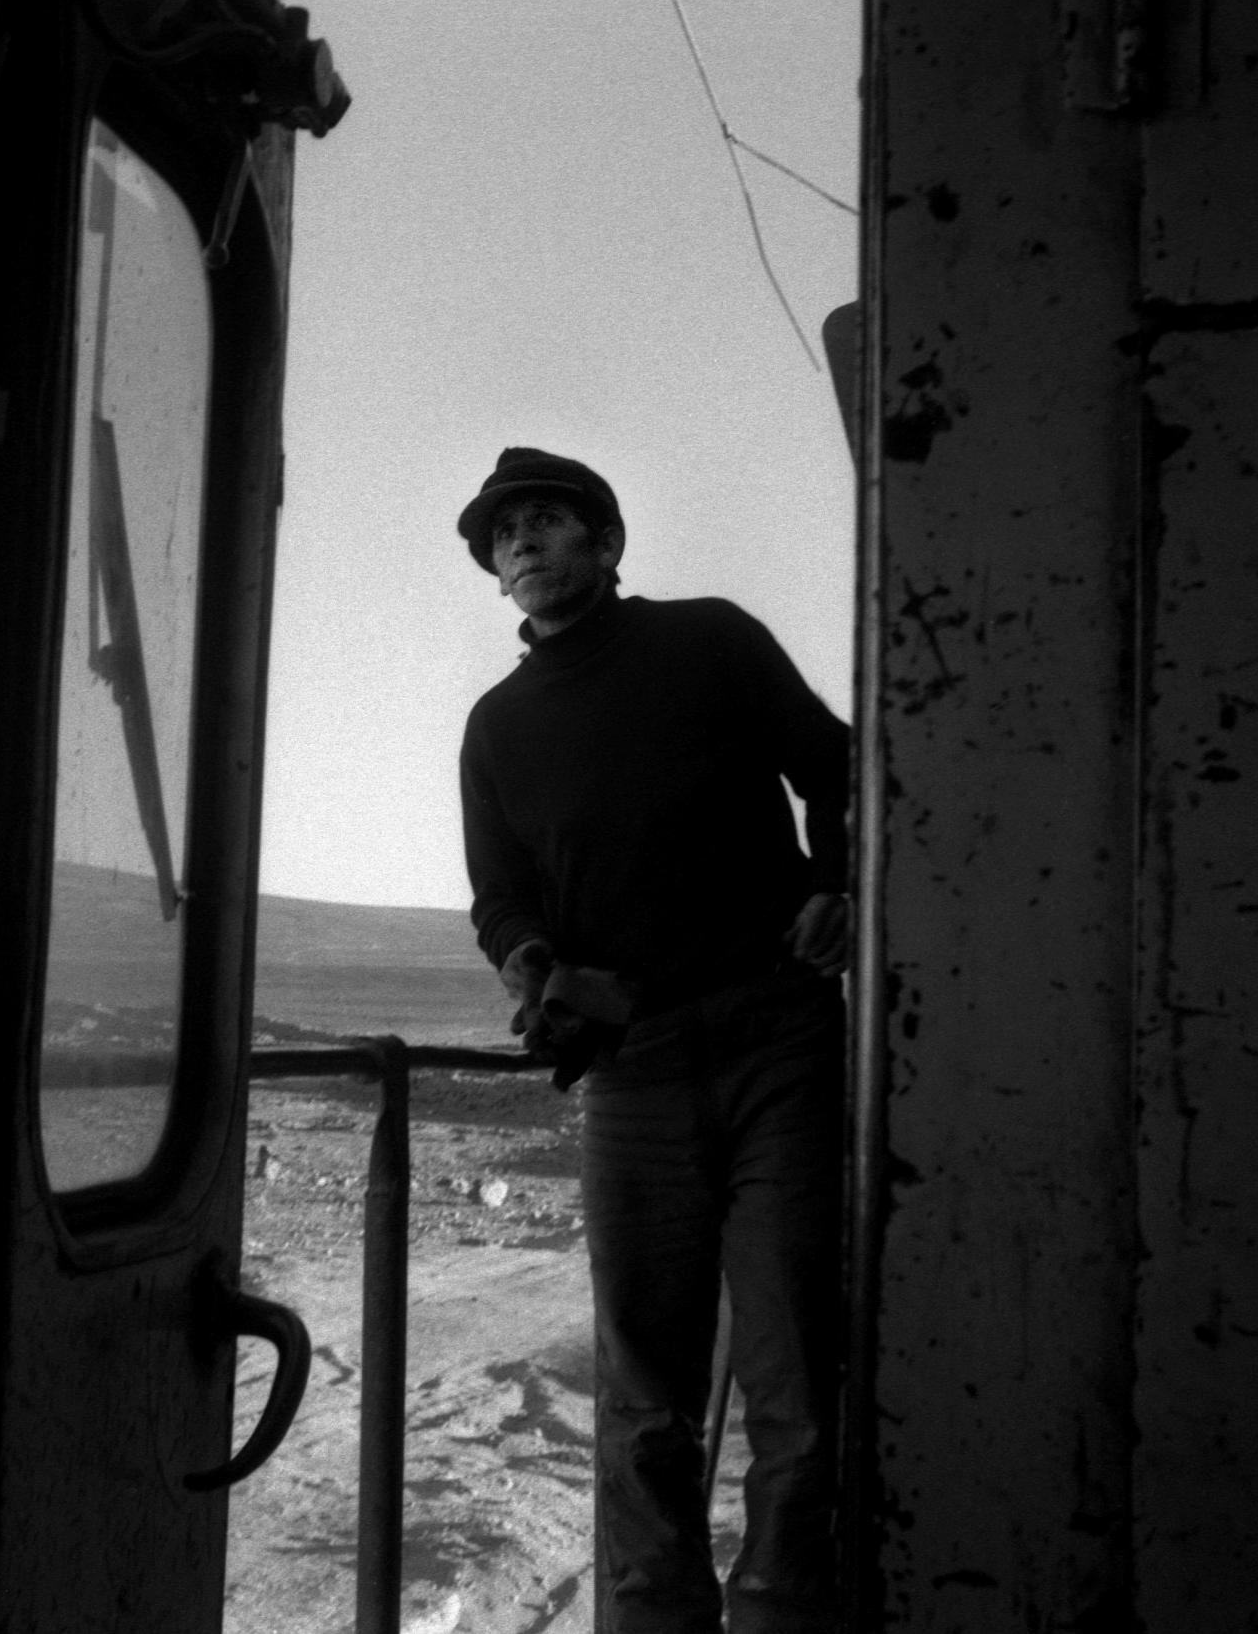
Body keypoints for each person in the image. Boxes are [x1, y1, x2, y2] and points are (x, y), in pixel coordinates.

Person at [454, 447, 851, 1634]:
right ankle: (648, 1621)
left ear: (605, 545)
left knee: (792, 1368)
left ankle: (783, 1611)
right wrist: (525, 960)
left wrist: (835, 882)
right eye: (502, 534)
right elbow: (499, 897)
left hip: (774, 1032)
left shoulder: (709, 642)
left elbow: (835, 766)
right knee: (640, 1392)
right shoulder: (495, 728)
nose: (522, 543)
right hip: (626, 1071)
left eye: (545, 520)